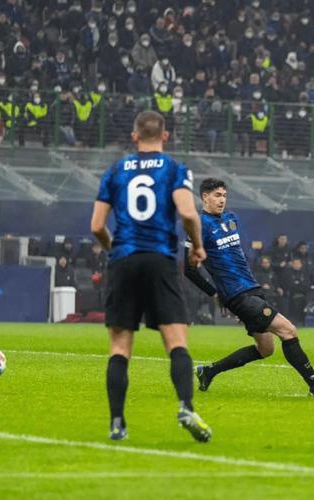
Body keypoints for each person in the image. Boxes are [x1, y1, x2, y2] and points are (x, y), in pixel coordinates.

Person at [89, 110, 211, 443]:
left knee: (119, 347)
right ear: (165, 136)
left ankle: (117, 423)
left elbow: (96, 225)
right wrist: (198, 246)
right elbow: (188, 213)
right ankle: (186, 407)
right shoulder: (174, 169)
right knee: (176, 341)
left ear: (134, 136)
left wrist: (115, 250)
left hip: (124, 260)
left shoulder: (116, 170)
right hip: (160, 260)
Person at [184, 178, 314, 398]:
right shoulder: (199, 225)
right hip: (237, 295)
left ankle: (209, 371)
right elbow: (189, 269)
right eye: (217, 195)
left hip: (251, 288)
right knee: (288, 330)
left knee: (266, 348)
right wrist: (215, 293)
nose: (222, 200)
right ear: (205, 197)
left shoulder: (231, 219)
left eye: (224, 195)